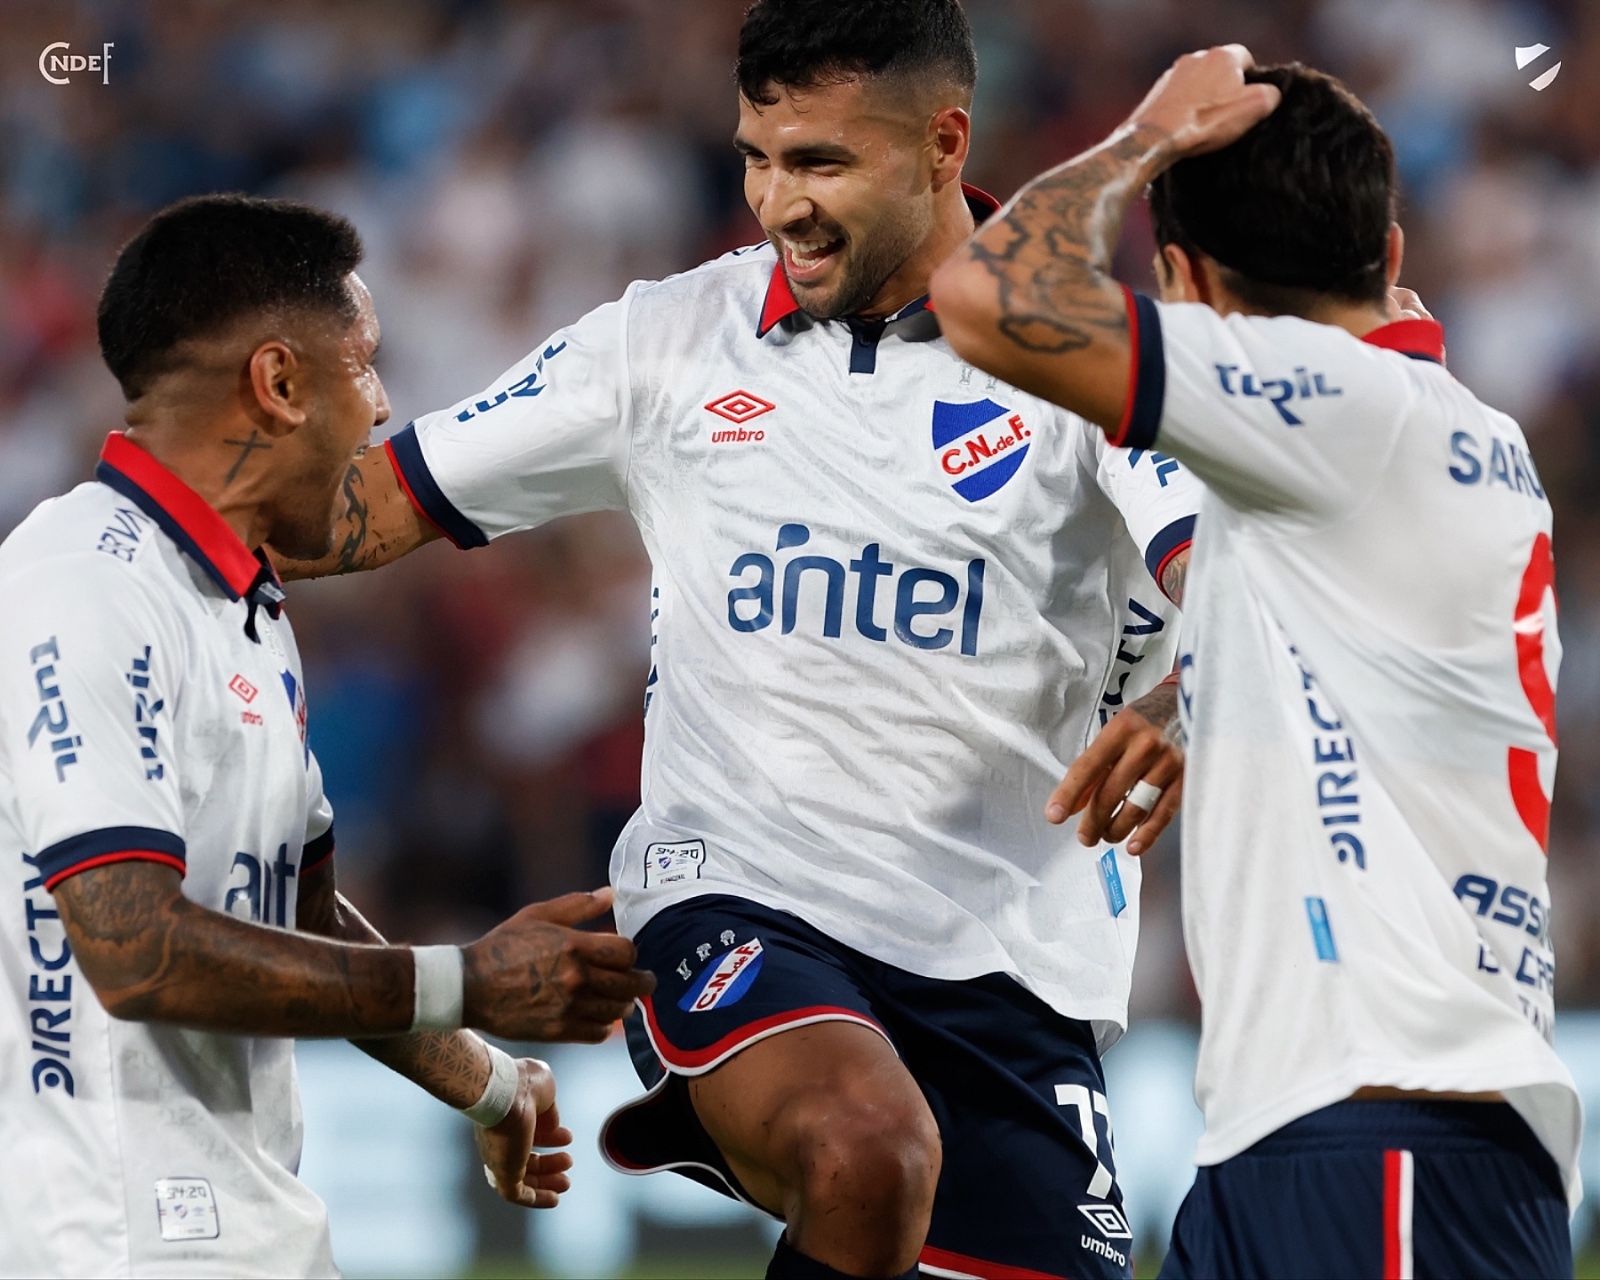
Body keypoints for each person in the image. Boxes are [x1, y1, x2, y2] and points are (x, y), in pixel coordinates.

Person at [277, 2, 1201, 1276]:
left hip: (1015, 962)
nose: (778, 202)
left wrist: (1191, 693)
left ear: (942, 143)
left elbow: (1234, 579)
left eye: (821, 162)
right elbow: (356, 513)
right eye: (756, 158)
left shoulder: (1090, 349)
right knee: (867, 1147)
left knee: (905, 1178)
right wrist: (139, 540)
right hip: (737, 902)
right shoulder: (663, 343)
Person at [932, 44, 1580, 1280]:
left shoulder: (1328, 402)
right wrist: (1202, 688)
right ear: (1389, 249)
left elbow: (983, 298)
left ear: (1182, 282)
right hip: (1312, 1131)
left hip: (1387, 1139)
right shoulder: (1429, 433)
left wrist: (1141, 142)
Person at [0, 194, 656, 1279]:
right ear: (280, 381)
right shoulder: (84, 584)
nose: (383, 407)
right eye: (364, 365)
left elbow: (297, 916)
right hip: (109, 1237)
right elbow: (134, 949)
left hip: (246, 1223)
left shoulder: (241, 608)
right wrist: (468, 977)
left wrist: (486, 1078)